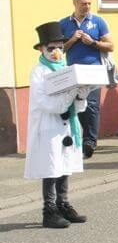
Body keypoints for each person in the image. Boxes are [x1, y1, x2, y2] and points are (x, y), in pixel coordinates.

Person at [25, 22, 91, 229]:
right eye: (51, 48)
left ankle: (63, 204)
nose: (56, 52)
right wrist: (70, 95)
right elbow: (46, 103)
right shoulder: (39, 72)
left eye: (60, 48)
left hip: (67, 125)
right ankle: (49, 211)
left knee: (65, 165)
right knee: (52, 167)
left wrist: (81, 96)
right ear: (41, 49)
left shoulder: (67, 70)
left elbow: (76, 107)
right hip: (49, 126)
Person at [60, 0, 114, 159]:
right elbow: (58, 51)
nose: (87, 6)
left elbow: (111, 46)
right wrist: (72, 39)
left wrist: (93, 43)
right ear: (75, 3)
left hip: (94, 70)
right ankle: (82, 139)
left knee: (91, 105)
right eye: (84, 4)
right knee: (78, 105)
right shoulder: (64, 23)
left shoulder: (98, 21)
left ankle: (90, 142)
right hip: (74, 72)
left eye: (89, 3)